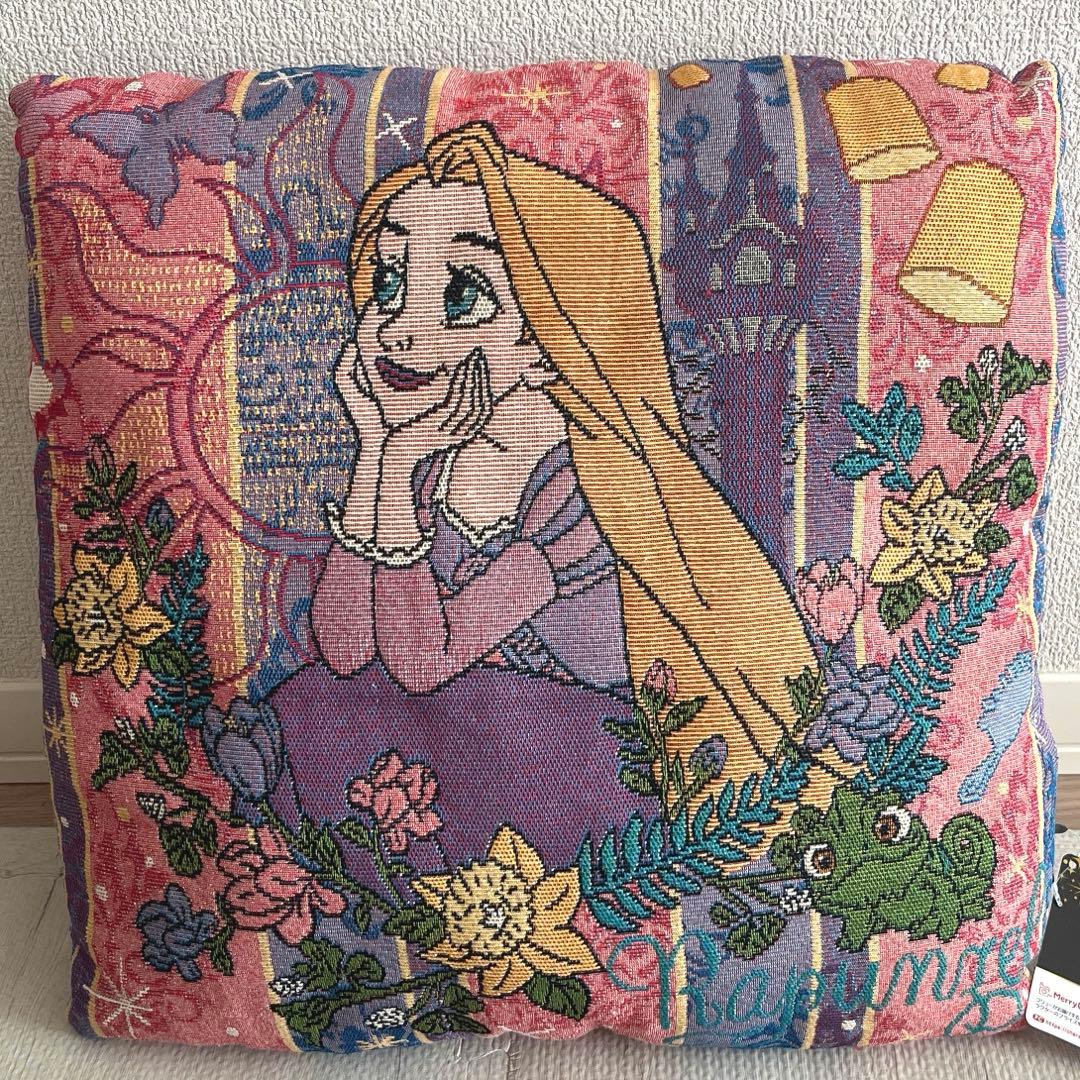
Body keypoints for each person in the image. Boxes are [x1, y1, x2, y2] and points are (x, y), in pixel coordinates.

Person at [268, 121, 835, 876]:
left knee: (333, 732)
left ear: (552, 330)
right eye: (391, 283)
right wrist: (377, 451)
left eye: (462, 294)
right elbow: (342, 647)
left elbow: (421, 661)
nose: (399, 330)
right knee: (314, 702)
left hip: (572, 768)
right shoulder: (433, 466)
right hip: (470, 739)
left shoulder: (590, 498)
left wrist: (396, 459)